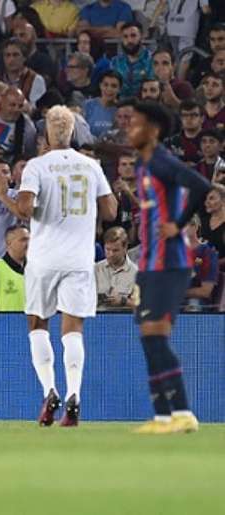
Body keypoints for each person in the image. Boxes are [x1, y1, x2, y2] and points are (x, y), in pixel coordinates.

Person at [17, 105, 117, 428]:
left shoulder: (36, 166)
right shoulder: (91, 166)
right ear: (73, 132)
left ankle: (50, 390)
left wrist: (33, 203)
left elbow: (24, 208)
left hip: (44, 258)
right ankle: (74, 395)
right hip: (79, 258)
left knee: (37, 324)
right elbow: (111, 211)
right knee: (72, 329)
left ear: (46, 133)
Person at [126, 101, 212, 434]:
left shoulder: (162, 161)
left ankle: (184, 413)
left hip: (169, 263)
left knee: (156, 338)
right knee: (148, 340)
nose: (129, 128)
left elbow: (201, 185)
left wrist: (177, 223)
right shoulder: (142, 164)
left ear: (154, 129)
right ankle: (163, 415)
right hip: (149, 264)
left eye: (136, 123)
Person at [0, 225, 28, 312]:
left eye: (29, 239)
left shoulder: (35, 269)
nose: (28, 244)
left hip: (30, 324)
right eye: (23, 240)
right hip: (3, 324)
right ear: (9, 243)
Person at [95, 226, 137, 310]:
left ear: (125, 248)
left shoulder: (136, 273)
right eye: (107, 249)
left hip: (124, 321)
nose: (110, 254)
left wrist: (123, 301)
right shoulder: (95, 270)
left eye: (115, 250)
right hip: (97, 319)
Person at [110, 22, 154, 99]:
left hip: (146, 105)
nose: (129, 40)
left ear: (141, 37)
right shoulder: (115, 62)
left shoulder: (152, 60)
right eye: (125, 37)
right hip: (119, 105)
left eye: (133, 36)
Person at [183, 216, 219, 310]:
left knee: (193, 306)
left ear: (195, 227)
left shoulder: (207, 253)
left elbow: (205, 291)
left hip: (195, 300)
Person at [83, 71, 121, 139]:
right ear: (100, 85)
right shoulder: (88, 105)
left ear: (119, 89)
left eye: (114, 86)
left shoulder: (121, 110)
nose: (109, 89)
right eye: (105, 85)